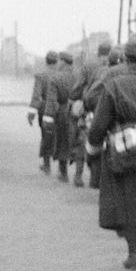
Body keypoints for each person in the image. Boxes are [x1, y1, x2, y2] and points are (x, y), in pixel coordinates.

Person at [86, 34, 136, 270]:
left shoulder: (115, 83)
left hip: (123, 149)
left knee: (128, 200)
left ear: (126, 57)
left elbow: (99, 123)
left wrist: (93, 146)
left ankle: (134, 254)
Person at [44, 51, 85, 184]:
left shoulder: (56, 78)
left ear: (62, 61)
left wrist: (48, 117)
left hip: (62, 112)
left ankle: (64, 173)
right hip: (79, 111)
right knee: (79, 142)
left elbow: (52, 100)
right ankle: (78, 175)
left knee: (62, 141)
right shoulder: (79, 75)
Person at [81, 41, 113, 188]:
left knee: (94, 141)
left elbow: (89, 94)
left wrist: (90, 108)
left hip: (100, 112)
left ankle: (95, 180)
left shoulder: (95, 69)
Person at [27, 50, 59, 174]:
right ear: (56, 62)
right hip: (59, 108)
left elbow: (36, 96)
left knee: (46, 136)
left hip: (45, 110)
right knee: (60, 136)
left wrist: (31, 114)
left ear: (46, 61)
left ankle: (47, 165)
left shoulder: (41, 76)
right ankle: (63, 169)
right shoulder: (61, 75)